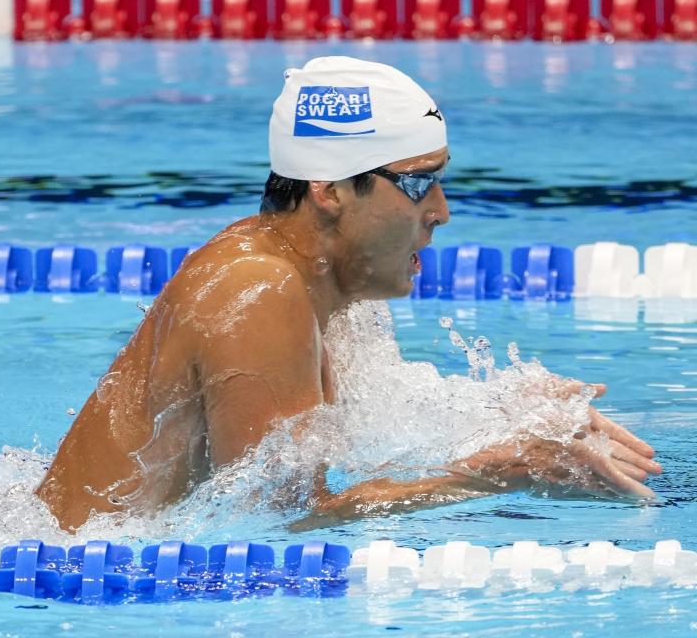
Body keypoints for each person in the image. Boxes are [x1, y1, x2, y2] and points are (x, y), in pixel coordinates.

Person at [35, 56, 661, 532]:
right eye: (419, 185)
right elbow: (272, 524)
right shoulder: (259, 288)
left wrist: (513, 413)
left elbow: (361, 424)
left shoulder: (323, 280)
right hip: (80, 582)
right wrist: (501, 474)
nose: (441, 212)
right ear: (329, 189)